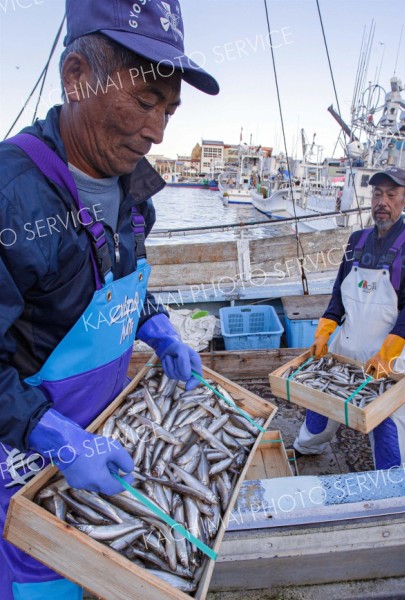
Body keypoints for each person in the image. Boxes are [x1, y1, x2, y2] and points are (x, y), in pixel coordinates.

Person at [0, 0, 218, 598]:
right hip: (22, 464)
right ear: (76, 77)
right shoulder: (8, 195)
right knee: (39, 581)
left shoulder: (132, 185)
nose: (157, 131)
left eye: (169, 110)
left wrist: (158, 325)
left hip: (106, 436)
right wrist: (51, 435)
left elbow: (119, 278)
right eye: (145, 102)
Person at [293, 167, 405, 471]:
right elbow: (338, 297)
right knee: (319, 408)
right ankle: (305, 448)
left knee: (388, 427)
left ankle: (395, 487)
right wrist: (324, 333)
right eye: (377, 193)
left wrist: (387, 354)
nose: (382, 201)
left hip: (387, 357)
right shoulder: (356, 241)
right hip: (344, 350)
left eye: (391, 194)